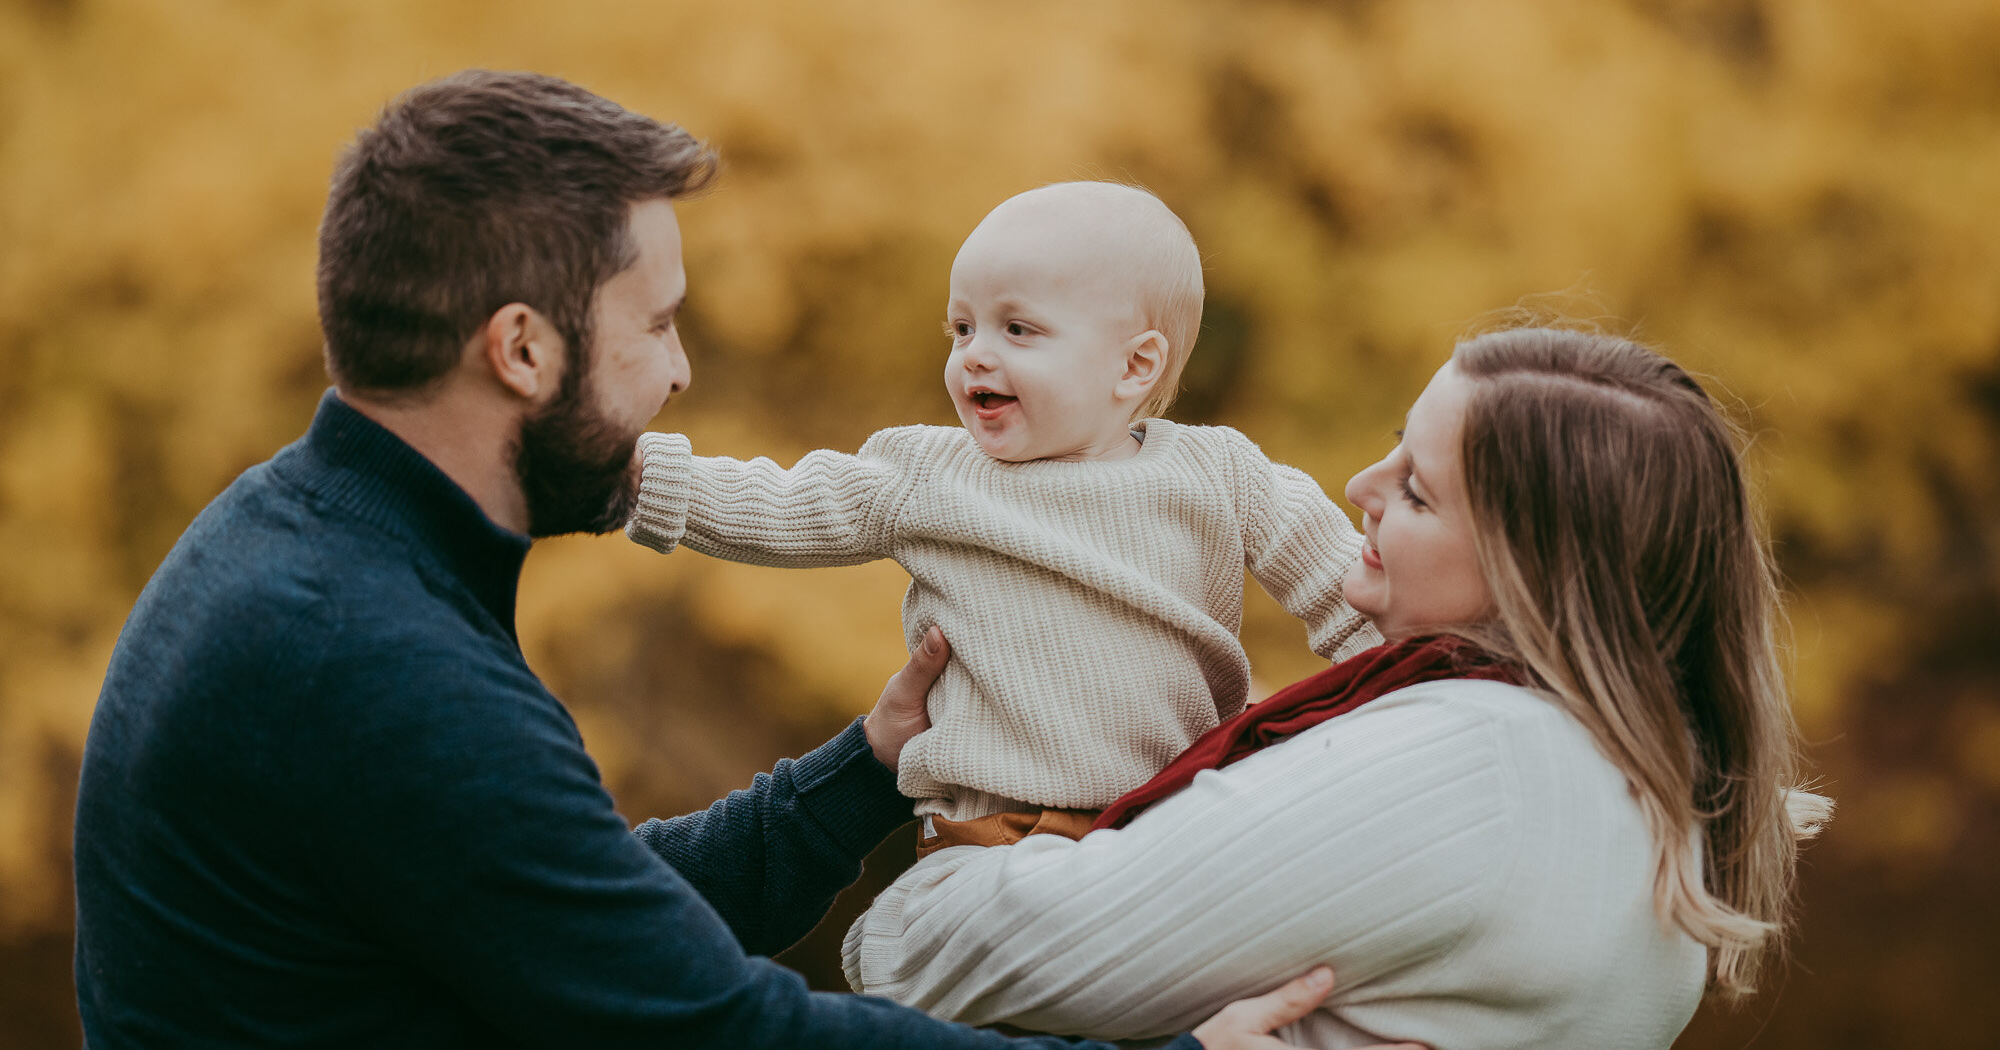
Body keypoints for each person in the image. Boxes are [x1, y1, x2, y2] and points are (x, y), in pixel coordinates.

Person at [69, 71, 1395, 1049]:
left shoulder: (299, 540)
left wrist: (868, 768)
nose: (684, 369)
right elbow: (707, 1025)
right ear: (525, 350)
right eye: (654, 323)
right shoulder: (366, 657)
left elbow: (578, 907)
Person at [846, 328, 1831, 1050]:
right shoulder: (1633, 779)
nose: (1362, 482)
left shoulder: (1464, 766)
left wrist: (944, 854)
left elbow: (923, 963)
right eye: (1393, 444)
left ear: (1529, 576)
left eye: (1415, 491)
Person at [625, 181, 1379, 855]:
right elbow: (791, 503)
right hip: (995, 837)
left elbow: (1350, 588)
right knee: (970, 938)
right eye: (962, 329)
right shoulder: (932, 474)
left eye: (1018, 330)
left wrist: (1426, 682)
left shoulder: (1220, 475)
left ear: (1135, 366)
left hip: (1170, 825)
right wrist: (632, 473)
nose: (974, 356)